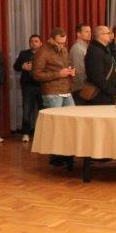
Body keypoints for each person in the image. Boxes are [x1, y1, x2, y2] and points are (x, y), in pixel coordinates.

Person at [33, 27, 76, 167]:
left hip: (66, 90)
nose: (61, 45)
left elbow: (67, 65)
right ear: (51, 39)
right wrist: (59, 74)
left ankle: (68, 154)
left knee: (70, 123)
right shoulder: (42, 52)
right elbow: (36, 74)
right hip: (52, 92)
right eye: (59, 43)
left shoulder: (64, 51)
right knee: (56, 125)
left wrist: (71, 70)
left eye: (64, 43)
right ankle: (56, 157)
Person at [13, 34, 42, 142]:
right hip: (28, 86)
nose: (33, 43)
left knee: (43, 110)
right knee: (27, 111)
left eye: (36, 41)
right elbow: (15, 67)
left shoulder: (44, 54)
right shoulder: (24, 54)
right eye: (31, 41)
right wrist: (22, 66)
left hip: (42, 86)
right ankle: (26, 133)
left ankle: (43, 133)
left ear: (41, 43)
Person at [83, 25, 116, 105]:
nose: (111, 35)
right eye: (108, 33)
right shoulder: (95, 51)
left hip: (106, 94)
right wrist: (111, 91)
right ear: (101, 35)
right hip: (99, 95)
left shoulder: (103, 49)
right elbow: (96, 76)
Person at [69, 22, 92, 102]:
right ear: (78, 34)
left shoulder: (85, 47)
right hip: (80, 88)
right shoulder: (77, 48)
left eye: (90, 31)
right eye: (86, 32)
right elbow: (79, 70)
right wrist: (86, 87)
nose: (89, 34)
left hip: (84, 87)